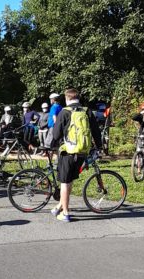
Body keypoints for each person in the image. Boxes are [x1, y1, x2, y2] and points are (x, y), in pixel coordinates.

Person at [50, 88, 102, 222]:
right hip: (82, 152)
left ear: (67, 99)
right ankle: (59, 206)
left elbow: (56, 135)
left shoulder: (64, 112)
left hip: (68, 152)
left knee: (64, 183)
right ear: (78, 98)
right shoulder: (87, 111)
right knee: (70, 180)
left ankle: (65, 213)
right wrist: (99, 147)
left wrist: (51, 146)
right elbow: (96, 131)